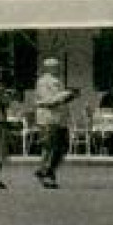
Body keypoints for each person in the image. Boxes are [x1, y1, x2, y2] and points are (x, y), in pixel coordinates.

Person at [33, 56, 76, 188]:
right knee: (50, 147)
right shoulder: (43, 82)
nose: (58, 69)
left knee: (62, 147)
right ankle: (46, 172)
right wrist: (65, 95)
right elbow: (48, 100)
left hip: (59, 118)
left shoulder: (57, 81)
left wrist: (68, 96)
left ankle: (46, 170)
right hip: (48, 118)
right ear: (49, 68)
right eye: (55, 66)